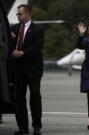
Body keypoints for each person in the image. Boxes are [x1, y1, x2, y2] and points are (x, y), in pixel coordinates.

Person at [10, 4, 44, 135]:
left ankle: (37, 126)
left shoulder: (38, 29)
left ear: (28, 14)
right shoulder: (14, 29)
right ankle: (22, 127)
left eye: (20, 14)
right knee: (19, 98)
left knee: (35, 96)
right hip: (18, 69)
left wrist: (22, 53)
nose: (18, 16)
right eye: (18, 14)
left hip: (33, 69)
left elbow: (37, 47)